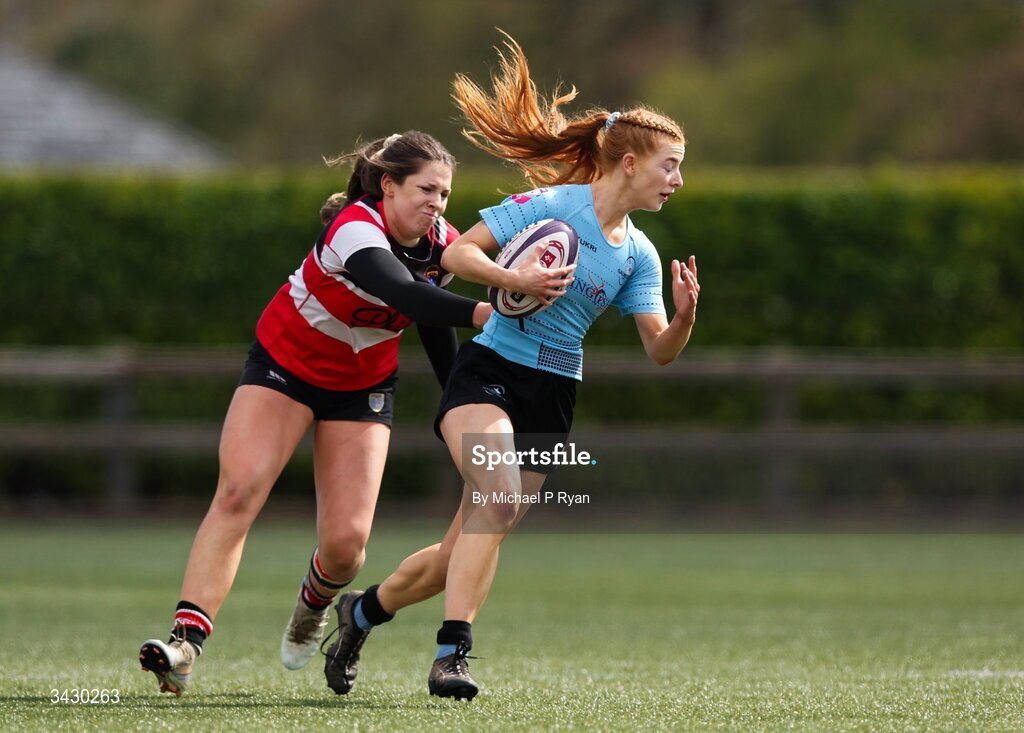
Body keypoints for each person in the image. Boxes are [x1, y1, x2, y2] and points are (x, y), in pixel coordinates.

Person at [321, 34, 700, 701]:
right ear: (632, 161)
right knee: (494, 497)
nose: (677, 180)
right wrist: (511, 276)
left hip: (554, 393)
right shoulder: (555, 206)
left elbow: (658, 350)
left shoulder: (639, 253)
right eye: (670, 166)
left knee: (458, 550)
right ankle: (452, 655)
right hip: (490, 367)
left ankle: (360, 613)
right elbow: (457, 257)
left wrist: (686, 316)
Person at [137, 131, 492, 696]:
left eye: (446, 194)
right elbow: (406, 294)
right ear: (388, 185)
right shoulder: (355, 225)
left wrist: (459, 410)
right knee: (238, 491)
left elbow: (434, 327)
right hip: (285, 366)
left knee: (348, 547)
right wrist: (494, 304)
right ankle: (185, 643)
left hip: (362, 387)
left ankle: (314, 603)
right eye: (426, 189)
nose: (438, 204)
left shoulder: (441, 245)